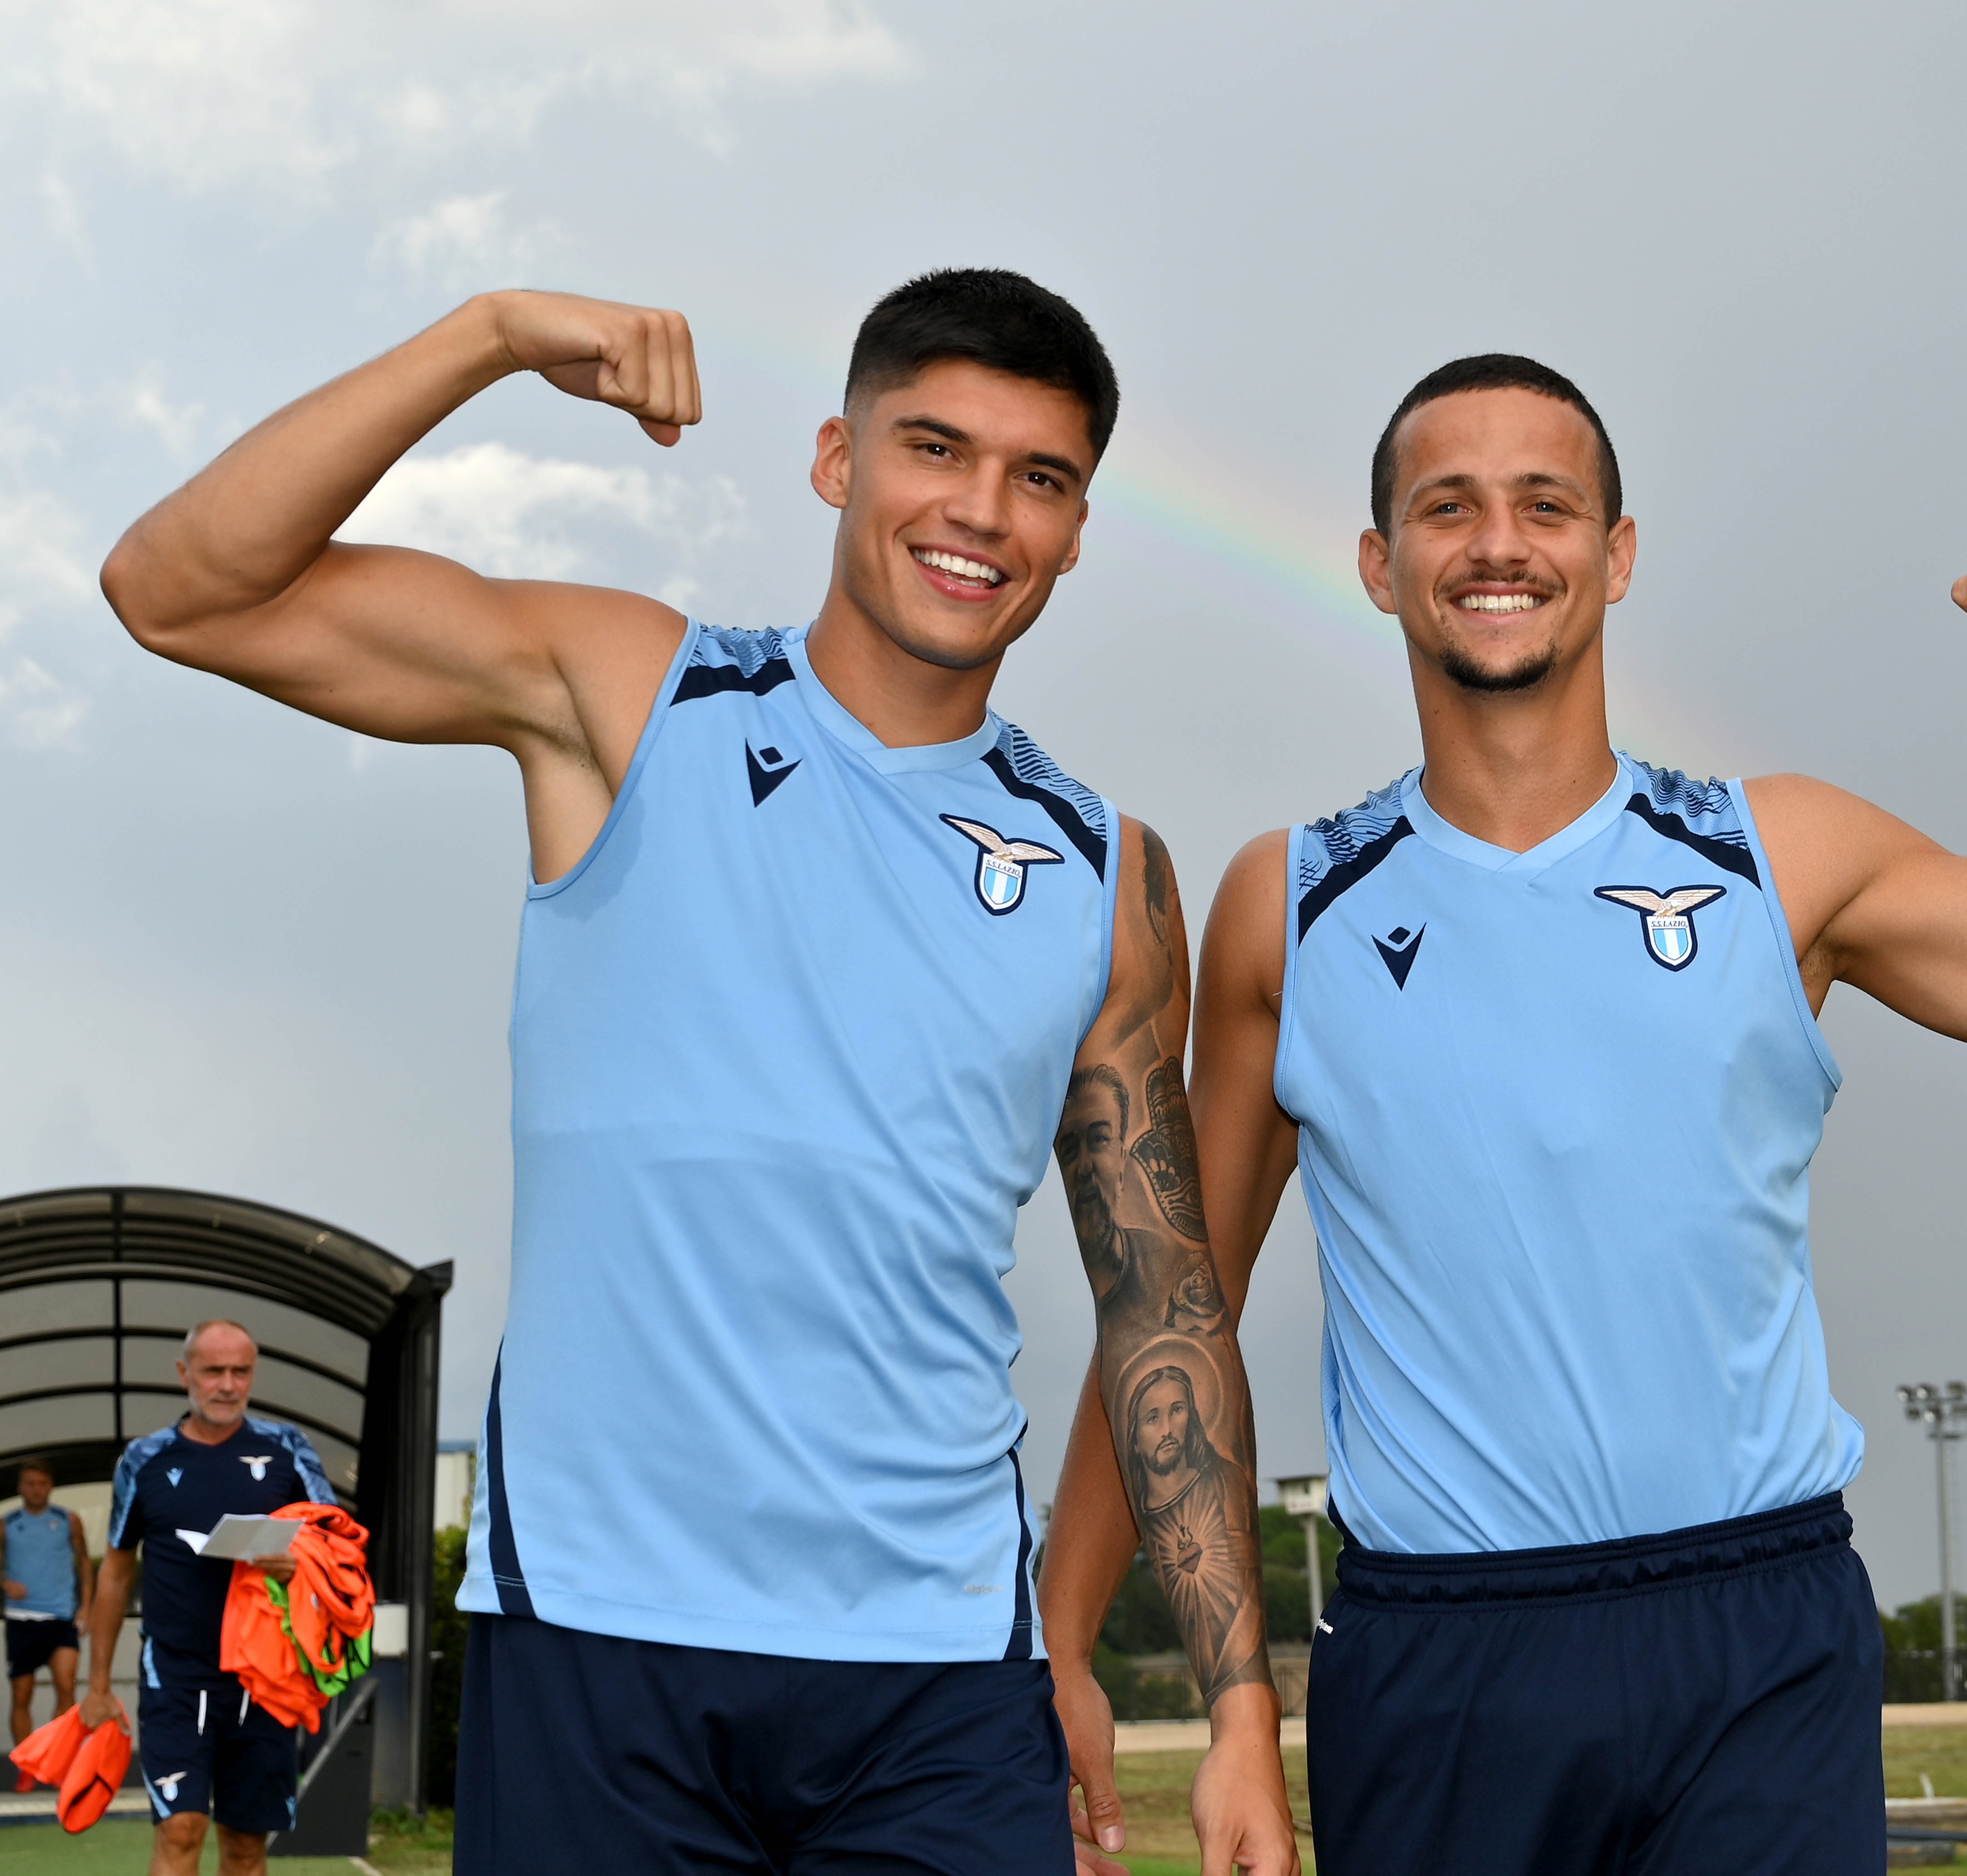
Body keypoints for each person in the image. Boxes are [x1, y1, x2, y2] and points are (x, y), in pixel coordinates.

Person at [99, 275, 1293, 1875]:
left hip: (938, 1679)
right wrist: (491, 337)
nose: (981, 511)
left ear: (1077, 531)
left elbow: (1165, 1307)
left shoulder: (1104, 873)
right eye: (934, 447)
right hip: (601, 1643)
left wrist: (1231, 1704)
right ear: (836, 459)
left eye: (1040, 477)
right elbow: (177, 588)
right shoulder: (629, 695)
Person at [1040, 355, 1967, 1873]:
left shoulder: (1780, 855)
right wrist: (1062, 1636)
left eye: (1545, 505)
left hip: (1757, 1634)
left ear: (1614, 554)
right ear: (1377, 561)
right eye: (1447, 507)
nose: (1497, 543)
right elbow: (1173, 1303)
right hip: (1443, 1650)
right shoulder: (1289, 905)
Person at [80, 1322, 333, 1876]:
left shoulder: (289, 1449)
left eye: (240, 1371)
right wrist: (97, 1686)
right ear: (184, 1374)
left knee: (245, 1846)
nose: (226, 1384)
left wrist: (300, 1562)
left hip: (266, 1678)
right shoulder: (143, 1459)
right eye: (213, 1370)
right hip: (175, 1675)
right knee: (180, 1829)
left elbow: (338, 1543)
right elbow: (117, 1574)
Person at [6, 1457, 91, 1786]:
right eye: (30, 1484)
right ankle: (28, 1767)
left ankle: (58, 1763)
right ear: (20, 1487)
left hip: (61, 1617)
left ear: (51, 1486)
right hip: (21, 1619)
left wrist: (86, 1607)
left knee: (67, 1687)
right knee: (22, 1694)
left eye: (42, 1484)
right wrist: (5, 1583)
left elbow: (85, 1564)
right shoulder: (7, 1523)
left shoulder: (69, 1520)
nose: (37, 1490)